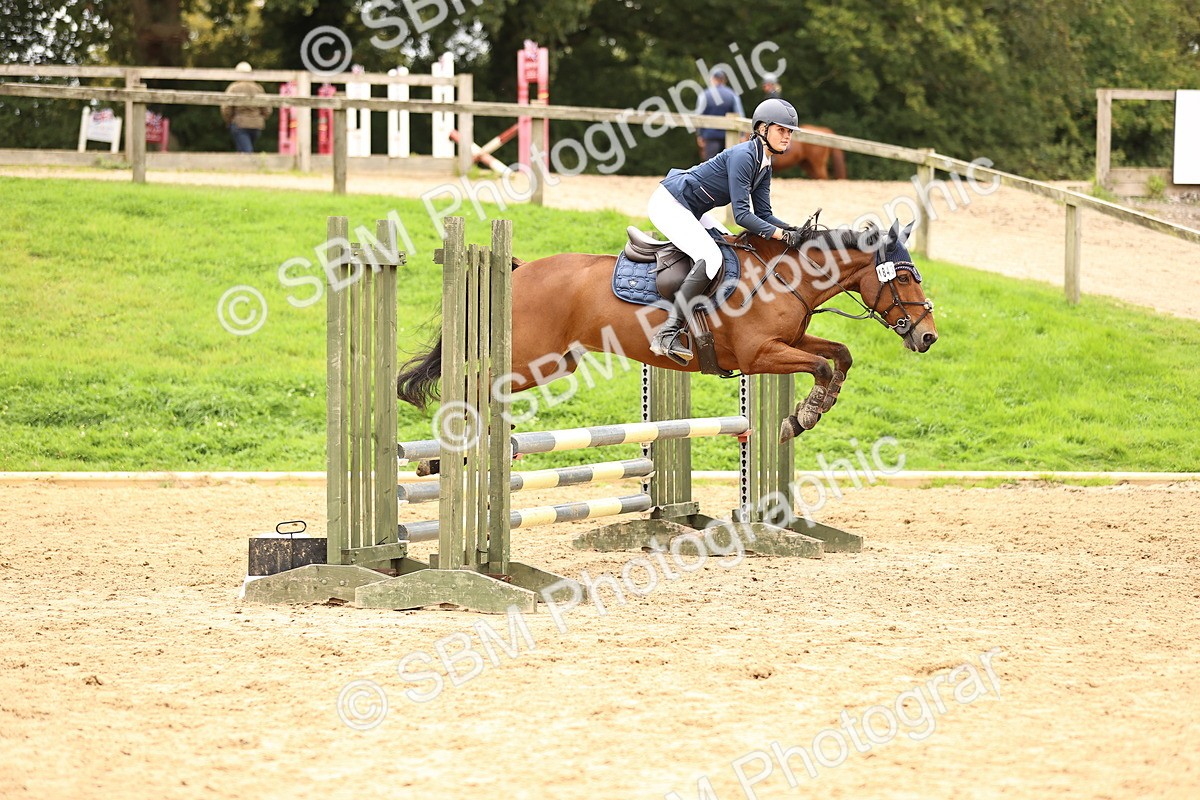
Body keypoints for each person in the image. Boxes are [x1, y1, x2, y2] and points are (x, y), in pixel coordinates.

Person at [648, 98, 807, 364]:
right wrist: (780, 236)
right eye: (781, 130)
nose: (787, 136)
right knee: (711, 258)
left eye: (789, 132)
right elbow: (742, 216)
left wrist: (795, 230)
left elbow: (765, 214)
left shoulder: (764, 163)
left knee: (730, 247)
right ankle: (667, 332)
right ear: (762, 129)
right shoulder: (745, 156)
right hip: (669, 203)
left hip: (692, 208)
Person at [695, 69, 744, 161]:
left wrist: (699, 134)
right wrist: (741, 135)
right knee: (728, 165)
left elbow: (699, 117)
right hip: (729, 137)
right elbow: (739, 115)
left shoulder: (705, 95)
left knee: (710, 166)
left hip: (710, 136)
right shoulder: (732, 95)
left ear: (713, 79)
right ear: (724, 80)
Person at [221, 62, 270, 153]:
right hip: (257, 124)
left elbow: (226, 108)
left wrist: (229, 120)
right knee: (244, 148)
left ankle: (248, 165)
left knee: (246, 151)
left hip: (239, 123)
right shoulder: (258, 88)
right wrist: (261, 118)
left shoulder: (233, 88)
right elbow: (267, 109)